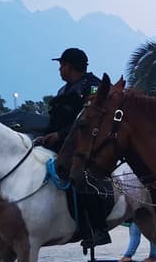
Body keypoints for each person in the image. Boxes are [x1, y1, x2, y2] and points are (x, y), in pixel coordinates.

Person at [41, 47, 108, 247]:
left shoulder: (93, 87)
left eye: (61, 65)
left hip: (88, 146)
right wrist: (43, 137)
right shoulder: (63, 91)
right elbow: (56, 121)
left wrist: (60, 135)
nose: (59, 69)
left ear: (69, 66)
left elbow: (92, 119)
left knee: (82, 177)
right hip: (62, 146)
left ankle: (98, 228)